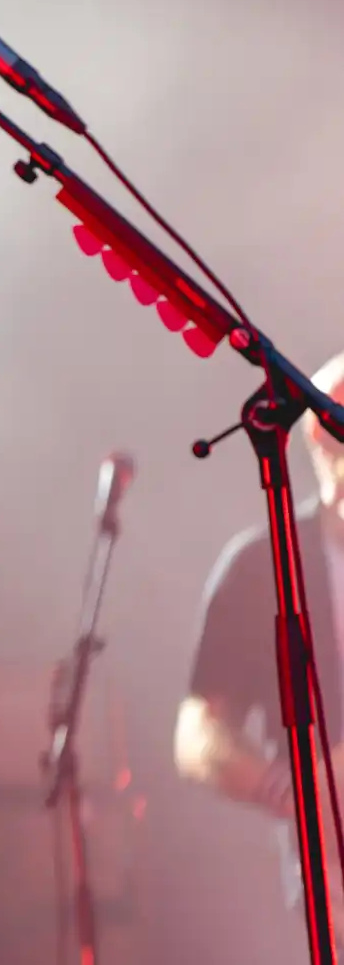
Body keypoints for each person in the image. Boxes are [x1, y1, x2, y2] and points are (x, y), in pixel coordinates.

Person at [178, 350, 344, 910]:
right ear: (314, 435)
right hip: (327, 877)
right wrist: (283, 786)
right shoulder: (264, 565)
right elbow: (201, 730)